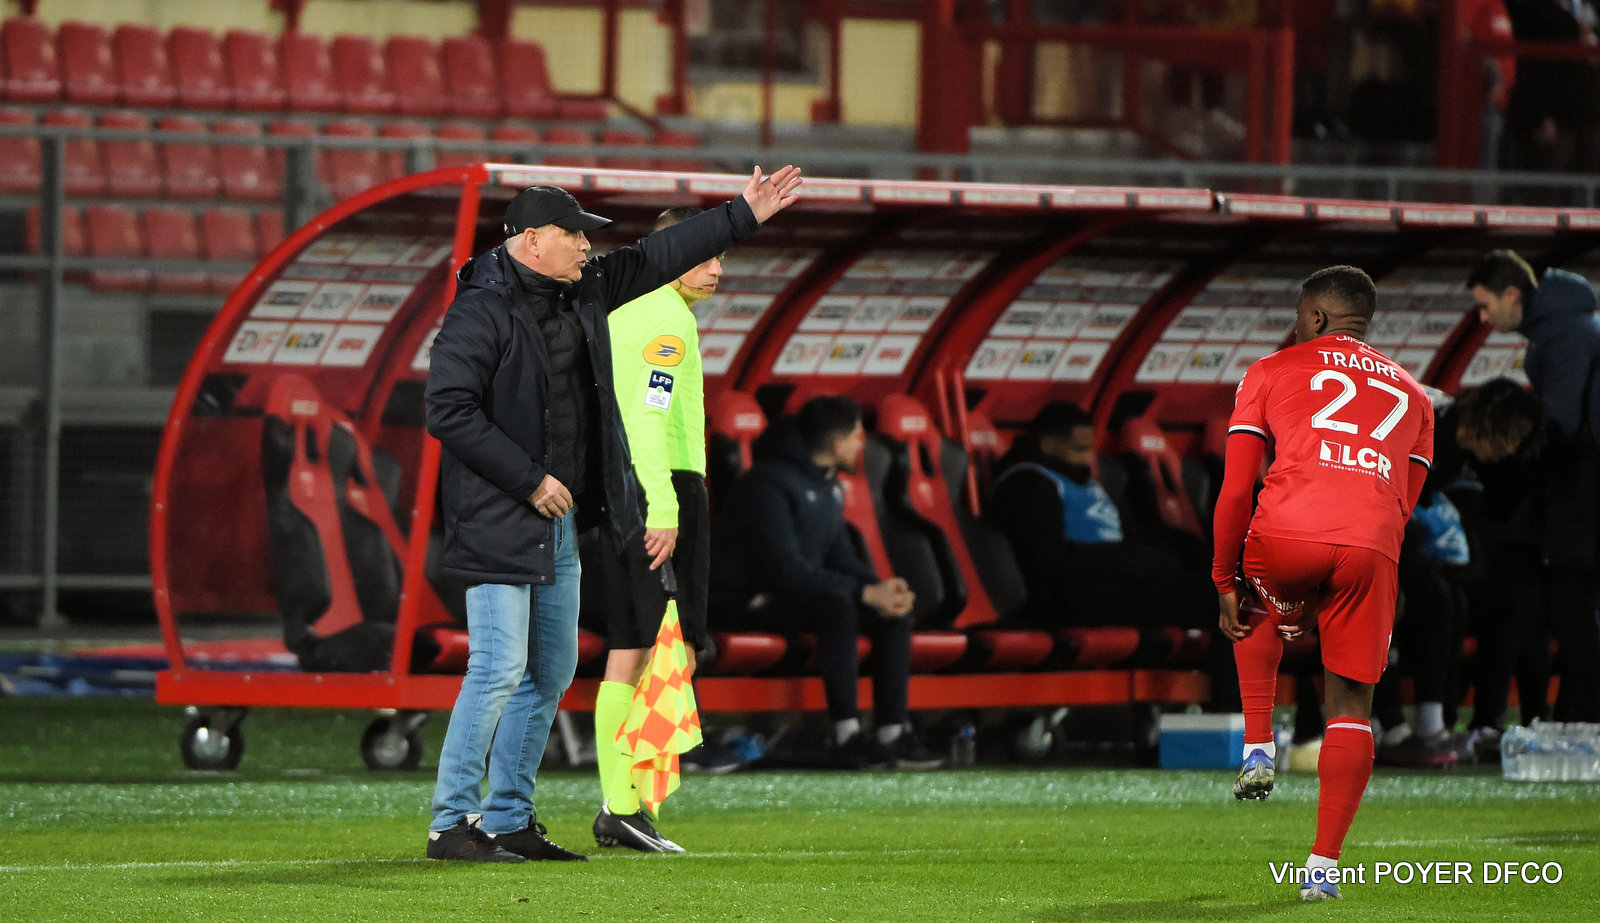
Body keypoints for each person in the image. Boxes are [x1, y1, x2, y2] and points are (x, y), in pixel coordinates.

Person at [423, 166, 803, 863]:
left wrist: (741, 213)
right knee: (500, 665)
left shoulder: (586, 290)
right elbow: (447, 409)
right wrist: (530, 477)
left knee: (551, 669)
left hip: (561, 516)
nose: (585, 247)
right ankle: (451, 822)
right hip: (500, 513)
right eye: (572, 235)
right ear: (531, 239)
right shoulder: (480, 309)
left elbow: (657, 255)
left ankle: (509, 818)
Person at [1212, 266, 1434, 901]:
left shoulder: (1271, 370)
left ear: (1311, 318)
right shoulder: (1415, 396)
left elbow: (1235, 490)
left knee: (1255, 606)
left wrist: (1222, 576)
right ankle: (1322, 869)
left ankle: (1259, 744)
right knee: (1352, 709)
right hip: (1371, 545)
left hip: (1285, 535)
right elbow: (1403, 506)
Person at [584, 205, 723, 854]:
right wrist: (666, 505)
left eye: (723, 255)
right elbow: (648, 414)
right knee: (666, 645)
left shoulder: (629, 310)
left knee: (632, 642)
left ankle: (624, 804)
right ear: (668, 253)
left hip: (628, 489)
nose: (717, 267)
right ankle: (624, 804)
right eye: (704, 253)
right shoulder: (665, 318)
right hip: (659, 487)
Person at [709, 395, 944, 770]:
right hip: (745, 601)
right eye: (857, 438)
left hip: (798, 597)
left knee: (891, 614)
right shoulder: (765, 484)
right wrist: (864, 592)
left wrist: (881, 590)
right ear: (837, 444)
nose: (861, 447)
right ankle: (844, 734)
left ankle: (892, 733)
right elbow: (783, 570)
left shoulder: (828, 486)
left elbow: (841, 558)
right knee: (839, 603)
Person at [1468, 249, 1600, 721]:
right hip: (1582, 480)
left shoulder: (1562, 336)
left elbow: (1560, 424)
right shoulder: (1566, 325)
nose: (1482, 318)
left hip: (1586, 483)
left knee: (1574, 604)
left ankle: (1586, 721)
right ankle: (1576, 715)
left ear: (1512, 294)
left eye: (1486, 306)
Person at [987, 401, 1215, 632]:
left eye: (1090, 449)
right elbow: (1047, 558)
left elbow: (1129, 535)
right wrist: (1125, 559)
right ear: (1047, 444)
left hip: (1114, 583)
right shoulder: (1029, 482)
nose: (1088, 459)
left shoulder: (1084, 482)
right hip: (1070, 597)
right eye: (1079, 449)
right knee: (1213, 601)